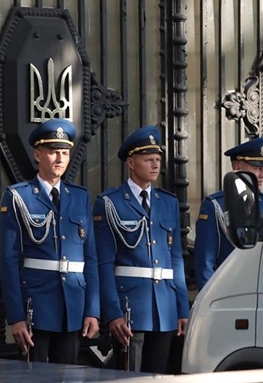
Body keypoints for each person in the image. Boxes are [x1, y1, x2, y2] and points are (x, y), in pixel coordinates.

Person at [0, 118, 100, 365]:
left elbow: (91, 258)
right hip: (36, 305)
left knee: (68, 375)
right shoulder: (17, 197)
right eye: (53, 152)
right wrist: (16, 317)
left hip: (72, 305)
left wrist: (92, 310)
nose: (60, 159)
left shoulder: (79, 196)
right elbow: (8, 261)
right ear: (37, 155)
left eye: (65, 153)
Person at [93, 125, 189, 373]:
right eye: (148, 159)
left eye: (157, 159)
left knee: (157, 375)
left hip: (164, 307)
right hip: (130, 305)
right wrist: (113, 313)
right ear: (131, 163)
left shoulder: (168, 202)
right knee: (129, 376)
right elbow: (103, 263)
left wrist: (182, 308)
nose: (155, 165)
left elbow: (175, 258)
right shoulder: (109, 203)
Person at [194, 136, 263, 291]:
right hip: (231, 291)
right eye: (257, 168)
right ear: (237, 167)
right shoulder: (216, 205)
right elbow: (206, 261)